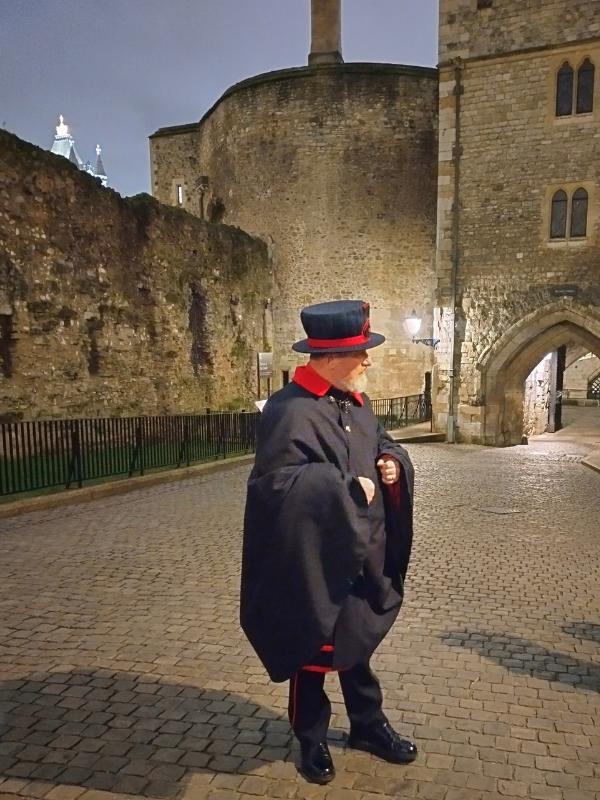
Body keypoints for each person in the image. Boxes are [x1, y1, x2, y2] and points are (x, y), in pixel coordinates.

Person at [240, 299, 417, 785]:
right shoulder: (288, 410)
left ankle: (368, 725)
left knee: (357, 641)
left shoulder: (356, 402)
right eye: (361, 352)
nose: (367, 361)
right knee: (310, 649)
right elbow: (275, 485)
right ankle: (311, 736)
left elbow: (382, 440)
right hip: (315, 557)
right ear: (334, 356)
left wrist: (391, 463)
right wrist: (340, 489)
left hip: (363, 548)